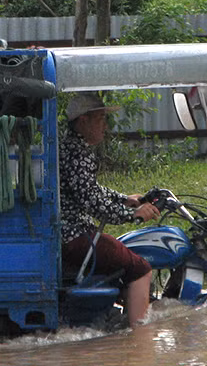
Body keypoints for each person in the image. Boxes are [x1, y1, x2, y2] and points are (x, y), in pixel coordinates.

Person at [59, 93, 160, 326]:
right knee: (141, 269)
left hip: (70, 232)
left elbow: (90, 189)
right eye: (101, 119)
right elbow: (91, 200)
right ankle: (139, 339)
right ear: (83, 121)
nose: (106, 125)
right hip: (74, 235)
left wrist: (125, 199)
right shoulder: (77, 153)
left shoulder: (71, 147)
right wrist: (131, 214)